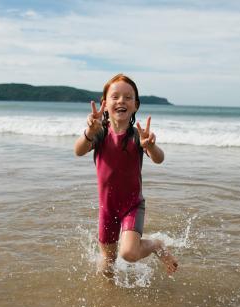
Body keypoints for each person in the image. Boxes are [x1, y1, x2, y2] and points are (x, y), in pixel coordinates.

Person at [74, 73, 178, 278]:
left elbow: (159, 158)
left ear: (136, 105)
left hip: (132, 205)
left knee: (129, 253)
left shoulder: (137, 136)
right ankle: (110, 299)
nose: (121, 100)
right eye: (115, 96)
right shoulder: (99, 133)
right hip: (107, 207)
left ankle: (156, 245)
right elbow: (78, 150)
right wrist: (89, 132)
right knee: (107, 263)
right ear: (104, 104)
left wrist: (151, 145)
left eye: (128, 97)